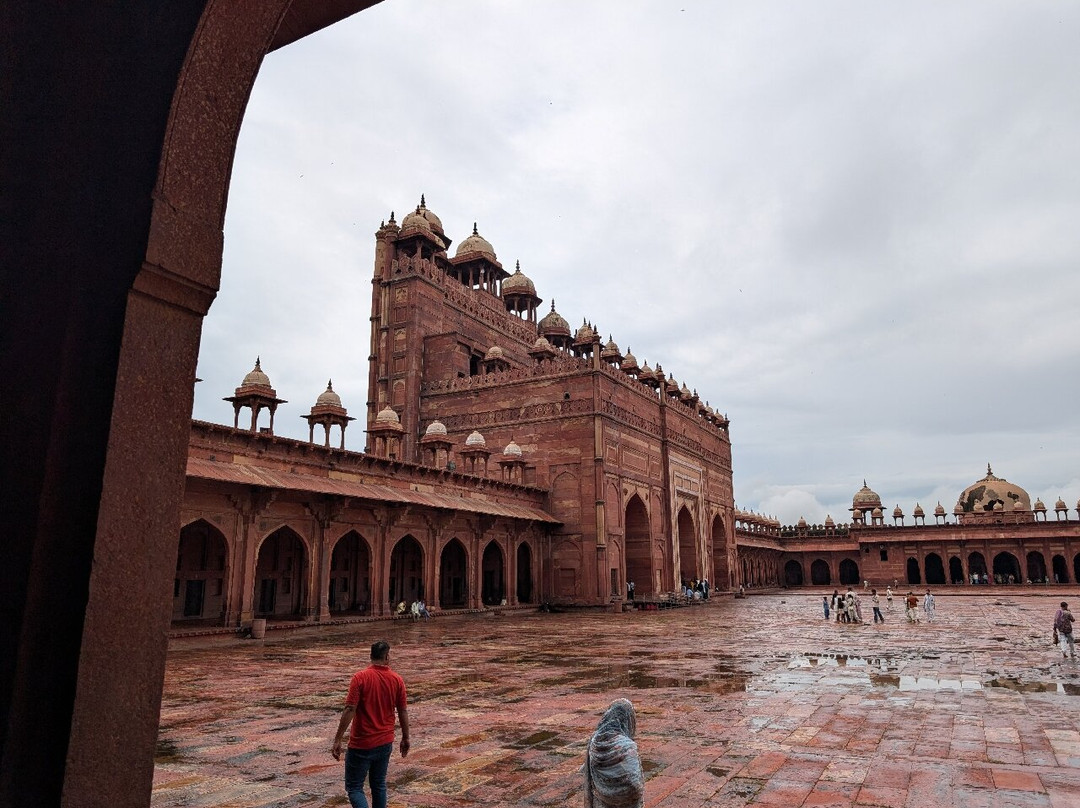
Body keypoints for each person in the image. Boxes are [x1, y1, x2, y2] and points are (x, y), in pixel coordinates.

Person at [332, 640, 410, 808]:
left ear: (370, 656)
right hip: (384, 741)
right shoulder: (397, 680)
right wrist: (406, 737)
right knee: (379, 784)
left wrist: (338, 738)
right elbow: (403, 710)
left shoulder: (360, 678)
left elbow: (349, 709)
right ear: (387, 657)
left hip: (361, 742)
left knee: (354, 788)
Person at [583, 698, 644, 808]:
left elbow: (588, 775)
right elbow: (635, 785)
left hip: (601, 801)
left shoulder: (594, 740)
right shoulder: (627, 746)